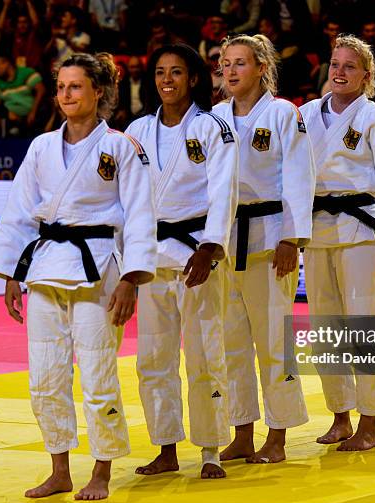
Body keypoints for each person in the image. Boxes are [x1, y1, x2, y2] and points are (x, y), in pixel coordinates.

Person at [0, 52, 157, 500]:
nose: (64, 95)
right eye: (60, 87)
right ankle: (59, 468)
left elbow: (140, 214)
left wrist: (131, 278)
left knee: (98, 374)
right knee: (45, 376)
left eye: (75, 86)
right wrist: (10, 273)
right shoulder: (41, 147)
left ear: (99, 92)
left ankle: (102, 468)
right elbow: (20, 212)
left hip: (98, 267)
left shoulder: (120, 146)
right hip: (44, 268)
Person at [299, 35, 375, 451]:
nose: (339, 72)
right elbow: (291, 177)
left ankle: (369, 422)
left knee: (365, 324)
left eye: (350, 66)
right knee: (326, 327)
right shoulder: (305, 115)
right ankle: (340, 417)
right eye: (335, 63)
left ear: (367, 76)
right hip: (315, 230)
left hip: (361, 230)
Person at [126, 43, 239, 479]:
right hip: (152, 255)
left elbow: (223, 191)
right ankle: (166, 448)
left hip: (197, 254)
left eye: (175, 73)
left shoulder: (212, 128)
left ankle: (210, 448)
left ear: (193, 78)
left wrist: (210, 247)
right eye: (159, 73)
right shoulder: (137, 129)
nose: (166, 81)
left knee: (205, 352)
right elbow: (128, 197)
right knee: (153, 358)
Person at [213, 34, 315, 464]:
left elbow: (299, 176)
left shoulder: (282, 113)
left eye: (240, 63)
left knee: (274, 341)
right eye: (225, 63)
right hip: (224, 239)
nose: (231, 71)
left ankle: (278, 434)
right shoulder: (213, 117)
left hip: (272, 235)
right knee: (231, 342)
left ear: (261, 68)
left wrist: (292, 238)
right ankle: (241, 430)